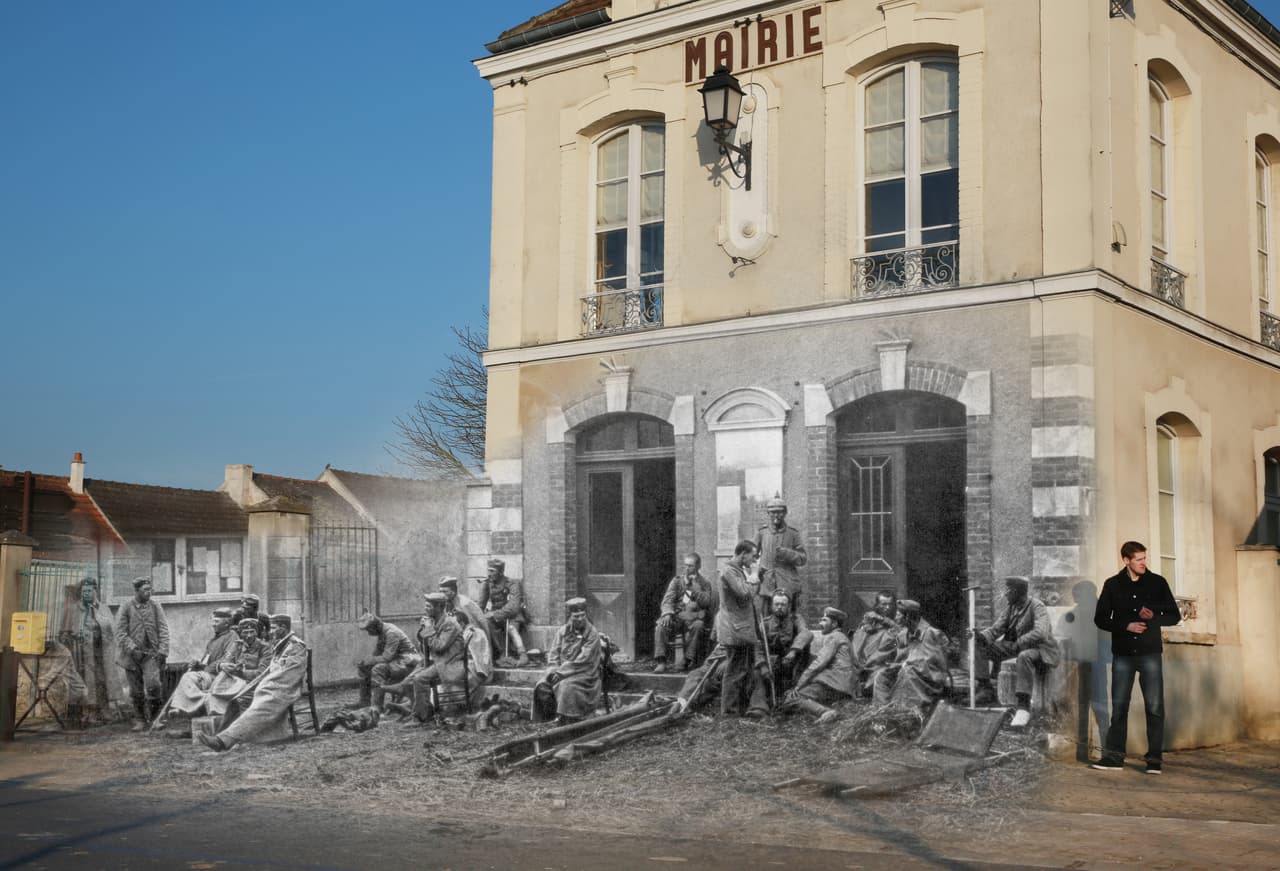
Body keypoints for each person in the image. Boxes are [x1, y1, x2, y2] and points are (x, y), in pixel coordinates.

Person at [1091, 541, 1181, 774]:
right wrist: (1126, 626)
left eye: (1144, 558)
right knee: (1120, 708)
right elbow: (1100, 619)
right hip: (1122, 654)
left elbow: (1174, 615)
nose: (1144, 563)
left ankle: (1154, 761)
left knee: (1155, 707)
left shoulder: (1157, 582)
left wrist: (1154, 616)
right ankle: (1114, 759)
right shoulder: (1112, 585)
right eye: (1139, 559)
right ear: (1126, 560)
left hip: (1150, 653)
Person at [198, 614, 308, 751]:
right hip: (272, 686)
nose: (270, 631)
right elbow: (268, 671)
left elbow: (288, 676)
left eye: (273, 628)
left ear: (284, 628)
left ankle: (222, 741)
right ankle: (221, 736)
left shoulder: (295, 646)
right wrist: (254, 684)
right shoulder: (281, 644)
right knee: (236, 699)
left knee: (259, 704)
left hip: (285, 690)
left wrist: (262, 685)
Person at [973, 576, 1060, 727]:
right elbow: (996, 629)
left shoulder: (1036, 606)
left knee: (1024, 656)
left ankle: (1023, 707)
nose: (1005, 593)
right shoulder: (1011, 607)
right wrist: (980, 636)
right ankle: (985, 688)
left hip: (1041, 649)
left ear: (1017, 591)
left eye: (1008, 590)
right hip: (1017, 648)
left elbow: (1041, 632)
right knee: (980, 644)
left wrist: (1019, 642)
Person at [157, 606, 240, 728]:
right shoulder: (213, 640)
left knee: (189, 677)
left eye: (217, 621)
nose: (213, 624)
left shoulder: (233, 637)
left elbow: (227, 660)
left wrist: (206, 668)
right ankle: (183, 708)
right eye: (213, 621)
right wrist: (198, 664)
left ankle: (185, 706)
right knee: (187, 676)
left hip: (222, 677)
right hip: (210, 674)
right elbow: (206, 661)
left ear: (227, 623)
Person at [403, 592, 478, 724]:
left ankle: (421, 717)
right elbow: (425, 645)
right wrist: (424, 630)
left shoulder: (450, 624)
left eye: (429, 607)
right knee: (411, 677)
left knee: (419, 679)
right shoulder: (437, 621)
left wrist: (428, 629)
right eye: (426, 606)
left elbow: (439, 646)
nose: (426, 609)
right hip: (440, 661)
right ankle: (421, 710)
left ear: (439, 607)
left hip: (451, 664)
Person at [61, 577, 125, 724]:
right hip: (83, 654)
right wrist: (75, 635)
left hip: (103, 651)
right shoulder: (74, 609)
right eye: (84, 591)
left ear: (96, 592)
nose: (86, 594)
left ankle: (105, 710)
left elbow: (112, 628)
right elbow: (65, 633)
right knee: (88, 681)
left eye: (89, 591)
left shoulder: (103, 608)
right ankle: (90, 713)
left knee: (103, 680)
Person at [533, 597, 603, 724]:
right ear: (570, 616)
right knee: (542, 686)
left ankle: (566, 719)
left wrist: (560, 673)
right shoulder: (562, 632)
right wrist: (553, 670)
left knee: (567, 686)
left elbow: (583, 660)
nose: (580, 619)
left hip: (585, 674)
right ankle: (548, 719)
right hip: (562, 671)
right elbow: (554, 654)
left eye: (582, 615)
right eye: (576, 616)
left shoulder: (592, 634)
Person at [874, 600, 951, 711]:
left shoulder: (931, 633)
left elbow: (936, 665)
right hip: (910, 672)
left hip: (930, 679)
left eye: (898, 614)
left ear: (908, 616)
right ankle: (883, 712)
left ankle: (903, 712)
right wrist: (896, 665)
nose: (895, 617)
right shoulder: (903, 635)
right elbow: (898, 654)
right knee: (882, 675)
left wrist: (909, 664)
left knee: (906, 672)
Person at [115, 577, 170, 730]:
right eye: (145, 590)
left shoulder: (155, 606)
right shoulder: (126, 606)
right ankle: (139, 719)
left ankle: (155, 718)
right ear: (137, 591)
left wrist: (163, 650)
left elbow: (163, 630)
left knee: (153, 685)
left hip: (151, 654)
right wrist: (132, 649)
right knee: (135, 689)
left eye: (150, 589)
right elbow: (120, 632)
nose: (148, 593)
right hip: (131, 656)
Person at [715, 539, 762, 717]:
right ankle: (728, 712)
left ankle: (738, 709)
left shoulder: (736, 571)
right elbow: (745, 593)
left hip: (740, 628)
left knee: (743, 668)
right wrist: (755, 574)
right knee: (734, 670)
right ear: (743, 554)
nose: (754, 560)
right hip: (735, 629)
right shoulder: (728, 571)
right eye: (753, 556)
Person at [746, 590, 809, 716]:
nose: (779, 607)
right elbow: (757, 646)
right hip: (772, 663)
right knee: (757, 672)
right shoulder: (765, 624)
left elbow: (806, 633)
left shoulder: (796, 619)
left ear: (789, 606)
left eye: (783, 604)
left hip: (791, 662)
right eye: (776, 604)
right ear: (771, 606)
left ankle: (791, 700)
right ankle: (759, 707)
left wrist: (793, 651)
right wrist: (763, 666)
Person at [786, 608, 855, 724]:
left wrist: (798, 686)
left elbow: (818, 664)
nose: (820, 624)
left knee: (792, 698)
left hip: (833, 684)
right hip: (842, 685)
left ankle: (825, 712)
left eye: (824, 620)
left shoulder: (834, 637)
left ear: (834, 624)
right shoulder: (843, 637)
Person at [653, 553, 716, 673]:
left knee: (698, 626)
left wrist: (693, 587)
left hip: (694, 618)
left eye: (690, 566)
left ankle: (688, 660)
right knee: (661, 625)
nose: (687, 569)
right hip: (677, 616)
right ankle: (661, 661)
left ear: (698, 566)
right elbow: (668, 600)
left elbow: (706, 602)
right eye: (685, 565)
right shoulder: (677, 581)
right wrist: (667, 613)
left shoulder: (704, 583)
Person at [354, 612, 419, 710]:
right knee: (363, 668)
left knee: (378, 669)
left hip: (408, 663)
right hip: (396, 661)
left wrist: (371, 660)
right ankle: (364, 701)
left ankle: (377, 707)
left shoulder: (390, 632)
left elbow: (386, 657)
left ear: (374, 627)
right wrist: (365, 662)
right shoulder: (382, 632)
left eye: (368, 629)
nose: (368, 632)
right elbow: (377, 654)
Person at [755, 496, 807, 613]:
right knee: (767, 616)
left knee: (789, 615)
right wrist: (758, 570)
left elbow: (803, 559)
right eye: (773, 513)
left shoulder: (793, 533)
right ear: (768, 514)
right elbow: (752, 555)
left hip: (787, 582)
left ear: (785, 513)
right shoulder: (762, 533)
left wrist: (788, 553)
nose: (776, 516)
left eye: (780, 512)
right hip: (767, 582)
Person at [478, 558, 530, 668]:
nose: (489, 574)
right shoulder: (487, 583)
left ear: (501, 572)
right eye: (488, 570)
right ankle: (502, 653)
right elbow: (480, 605)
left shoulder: (512, 583)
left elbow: (514, 607)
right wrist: (479, 616)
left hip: (512, 615)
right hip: (496, 616)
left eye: (492, 571)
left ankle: (523, 655)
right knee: (486, 622)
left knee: (511, 628)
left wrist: (495, 614)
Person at [849, 590, 900, 698]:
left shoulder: (897, 618)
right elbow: (857, 644)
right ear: (877, 605)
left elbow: (900, 633)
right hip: (861, 663)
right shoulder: (870, 619)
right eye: (883, 604)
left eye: (890, 604)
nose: (887, 607)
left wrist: (882, 620)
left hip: (881, 663)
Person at [438, 576, 489, 648]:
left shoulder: (464, 604)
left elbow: (477, 624)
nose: (441, 594)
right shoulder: (446, 603)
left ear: (453, 592)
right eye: (440, 591)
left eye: (444, 591)